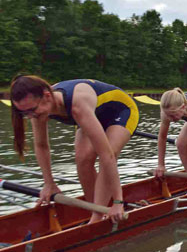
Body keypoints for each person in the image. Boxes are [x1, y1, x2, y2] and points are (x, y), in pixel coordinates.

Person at [10, 76, 139, 223]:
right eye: (24, 113)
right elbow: (41, 145)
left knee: (109, 152)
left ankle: (97, 217)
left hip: (121, 111)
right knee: (82, 159)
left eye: (32, 110)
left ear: (47, 96)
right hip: (93, 114)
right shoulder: (36, 110)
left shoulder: (77, 106)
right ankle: (98, 210)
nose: (31, 116)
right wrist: (49, 183)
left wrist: (118, 201)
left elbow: (107, 156)